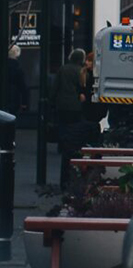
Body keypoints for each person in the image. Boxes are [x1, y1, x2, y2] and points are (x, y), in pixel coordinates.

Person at [53, 49, 88, 186]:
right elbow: (83, 86)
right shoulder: (81, 71)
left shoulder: (63, 69)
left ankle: (61, 144)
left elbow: (56, 86)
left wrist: (52, 100)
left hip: (62, 103)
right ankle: (68, 144)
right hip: (75, 104)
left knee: (62, 124)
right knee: (73, 127)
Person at [5, 44, 29, 118]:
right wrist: (25, 102)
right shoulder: (18, 69)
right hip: (14, 98)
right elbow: (23, 87)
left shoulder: (3, 67)